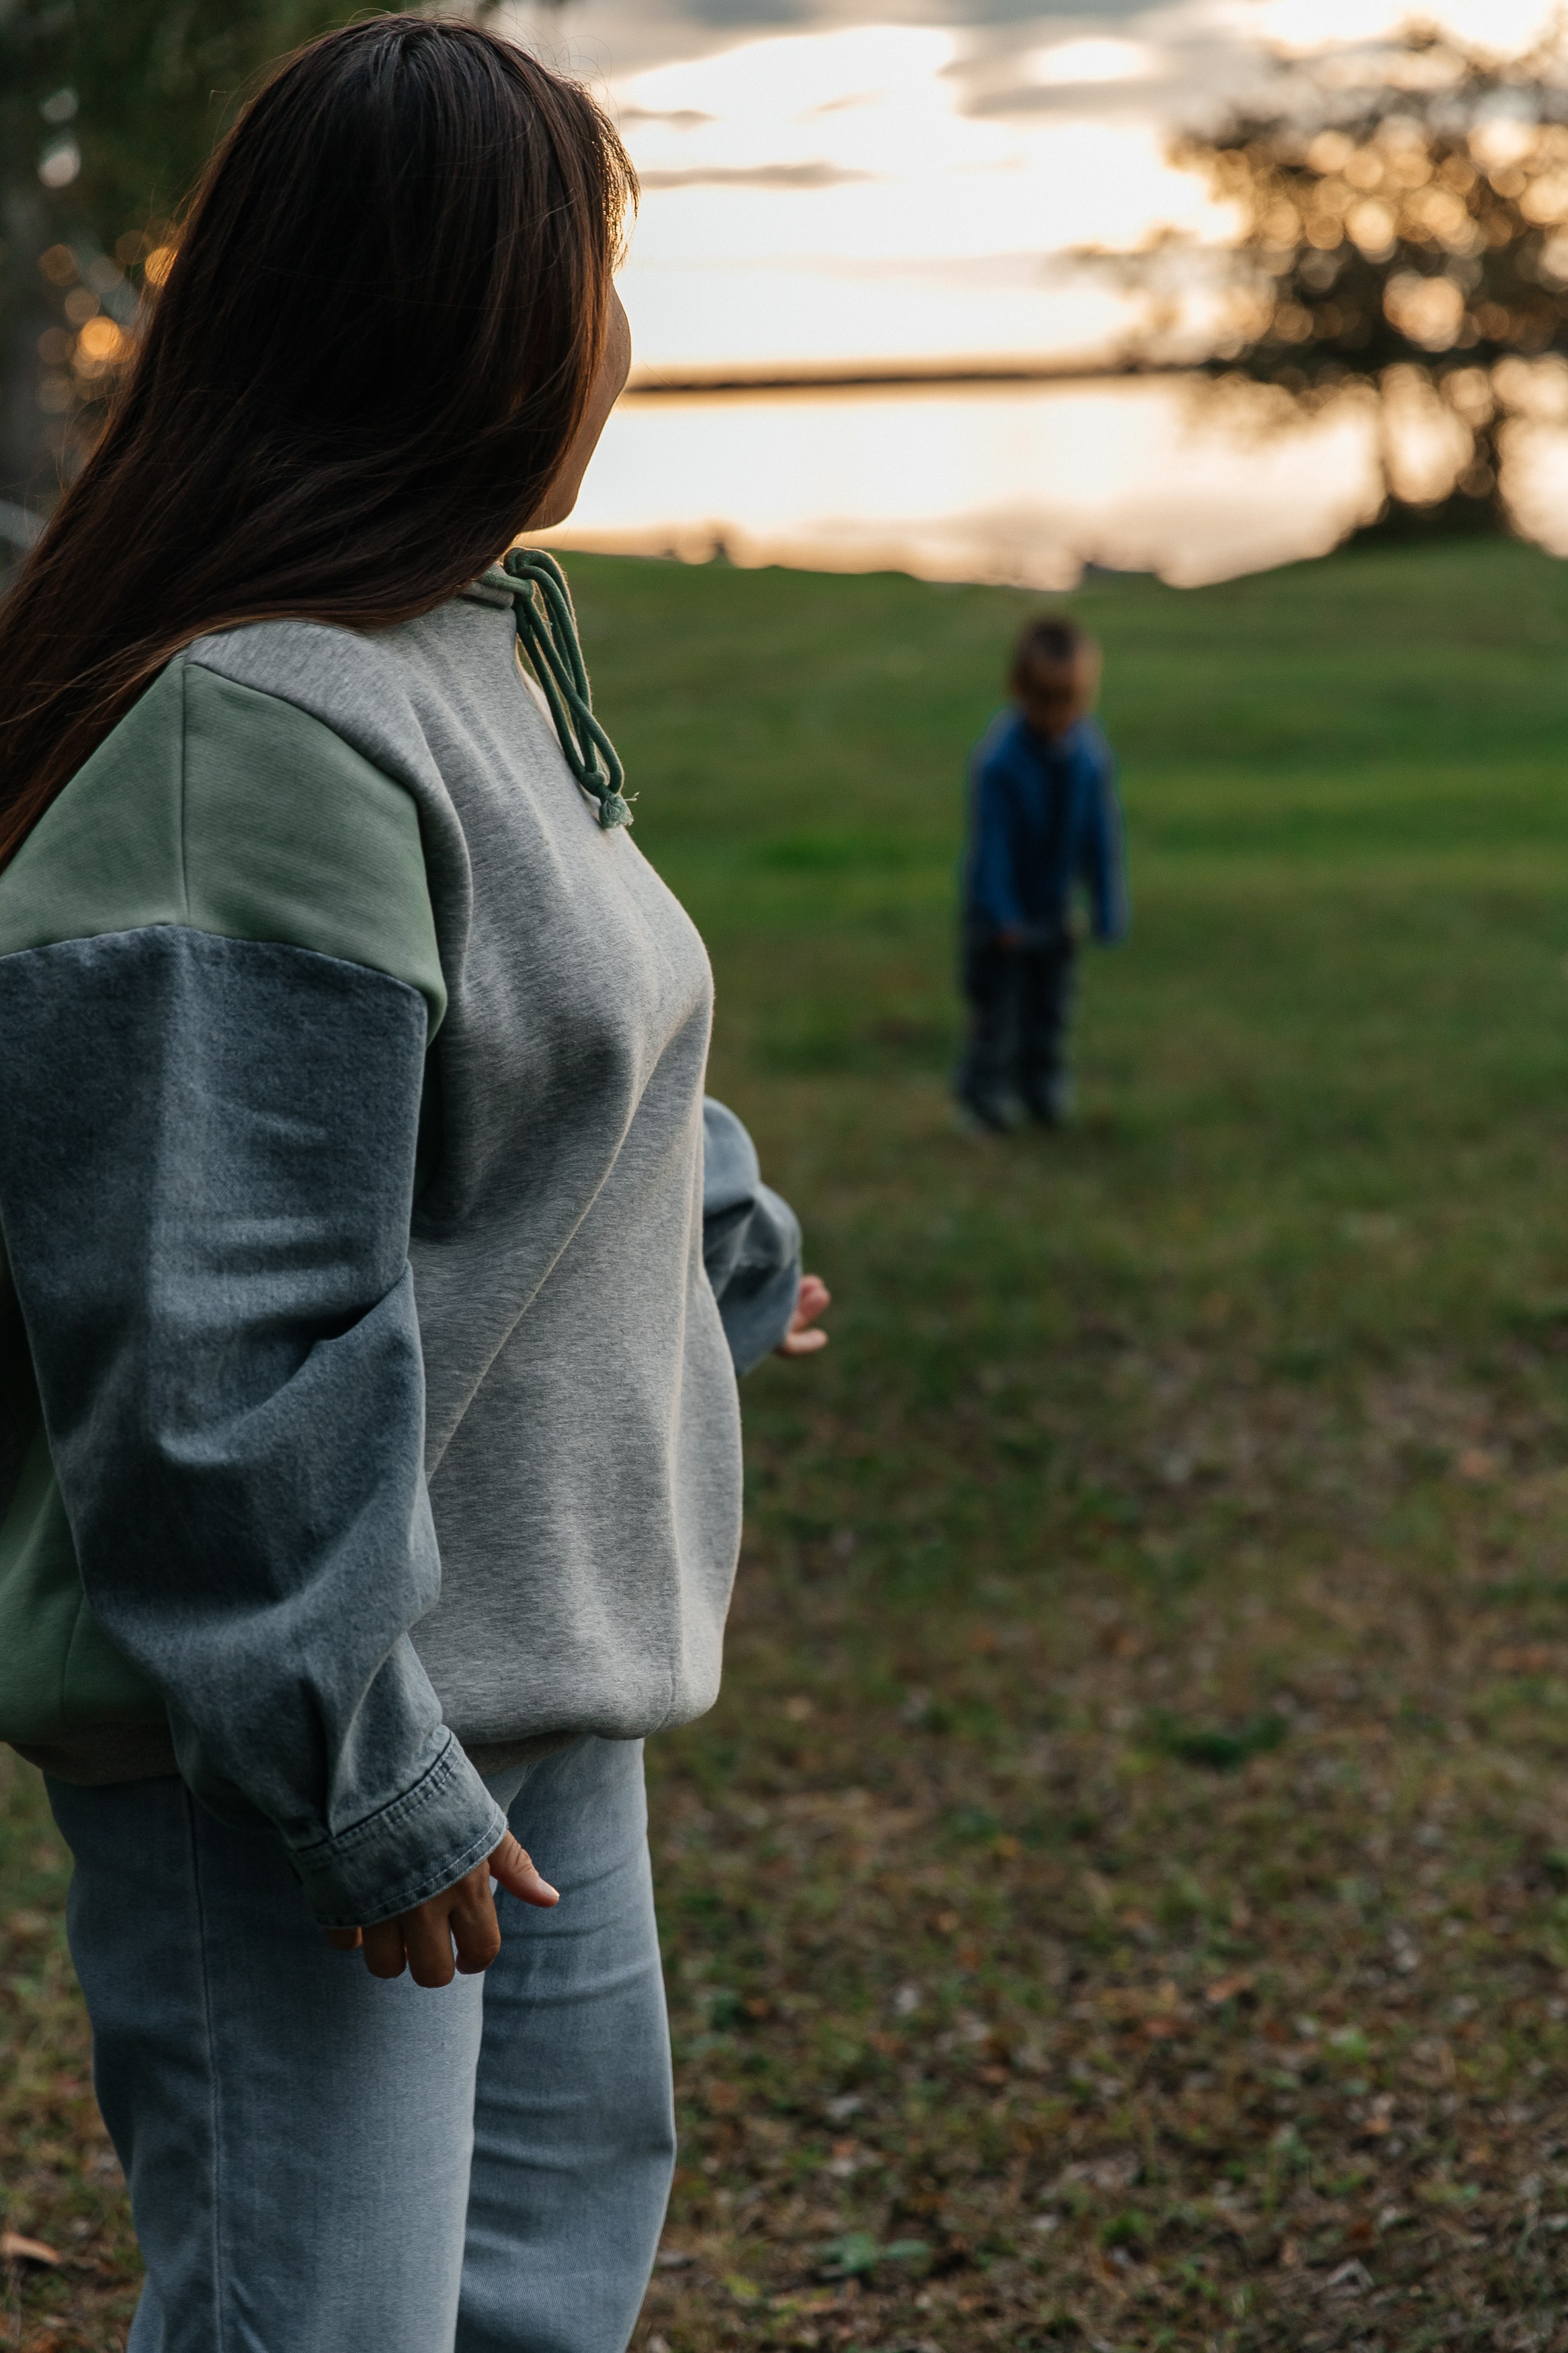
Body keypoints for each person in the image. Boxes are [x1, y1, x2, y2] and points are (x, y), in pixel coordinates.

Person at [0, 20, 829, 2352]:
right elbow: (206, 1330)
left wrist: (726, 1233)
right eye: (588, 274)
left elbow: (576, 1021)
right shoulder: (253, 738)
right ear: (459, 319)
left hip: (540, 1671)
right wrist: (353, 1767)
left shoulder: (466, 648)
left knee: (531, 2320)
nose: (613, 340)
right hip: (323, 1730)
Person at [955, 612, 1128, 1131]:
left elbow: (1100, 833)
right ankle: (981, 1099)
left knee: (1049, 1011)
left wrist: (1104, 903)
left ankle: (1041, 1089)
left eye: (1069, 701)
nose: (1058, 715)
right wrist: (1002, 916)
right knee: (997, 1015)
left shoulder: (1089, 756)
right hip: (998, 920)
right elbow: (992, 847)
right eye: (1046, 701)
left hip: (1054, 912)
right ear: (1019, 691)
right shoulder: (998, 762)